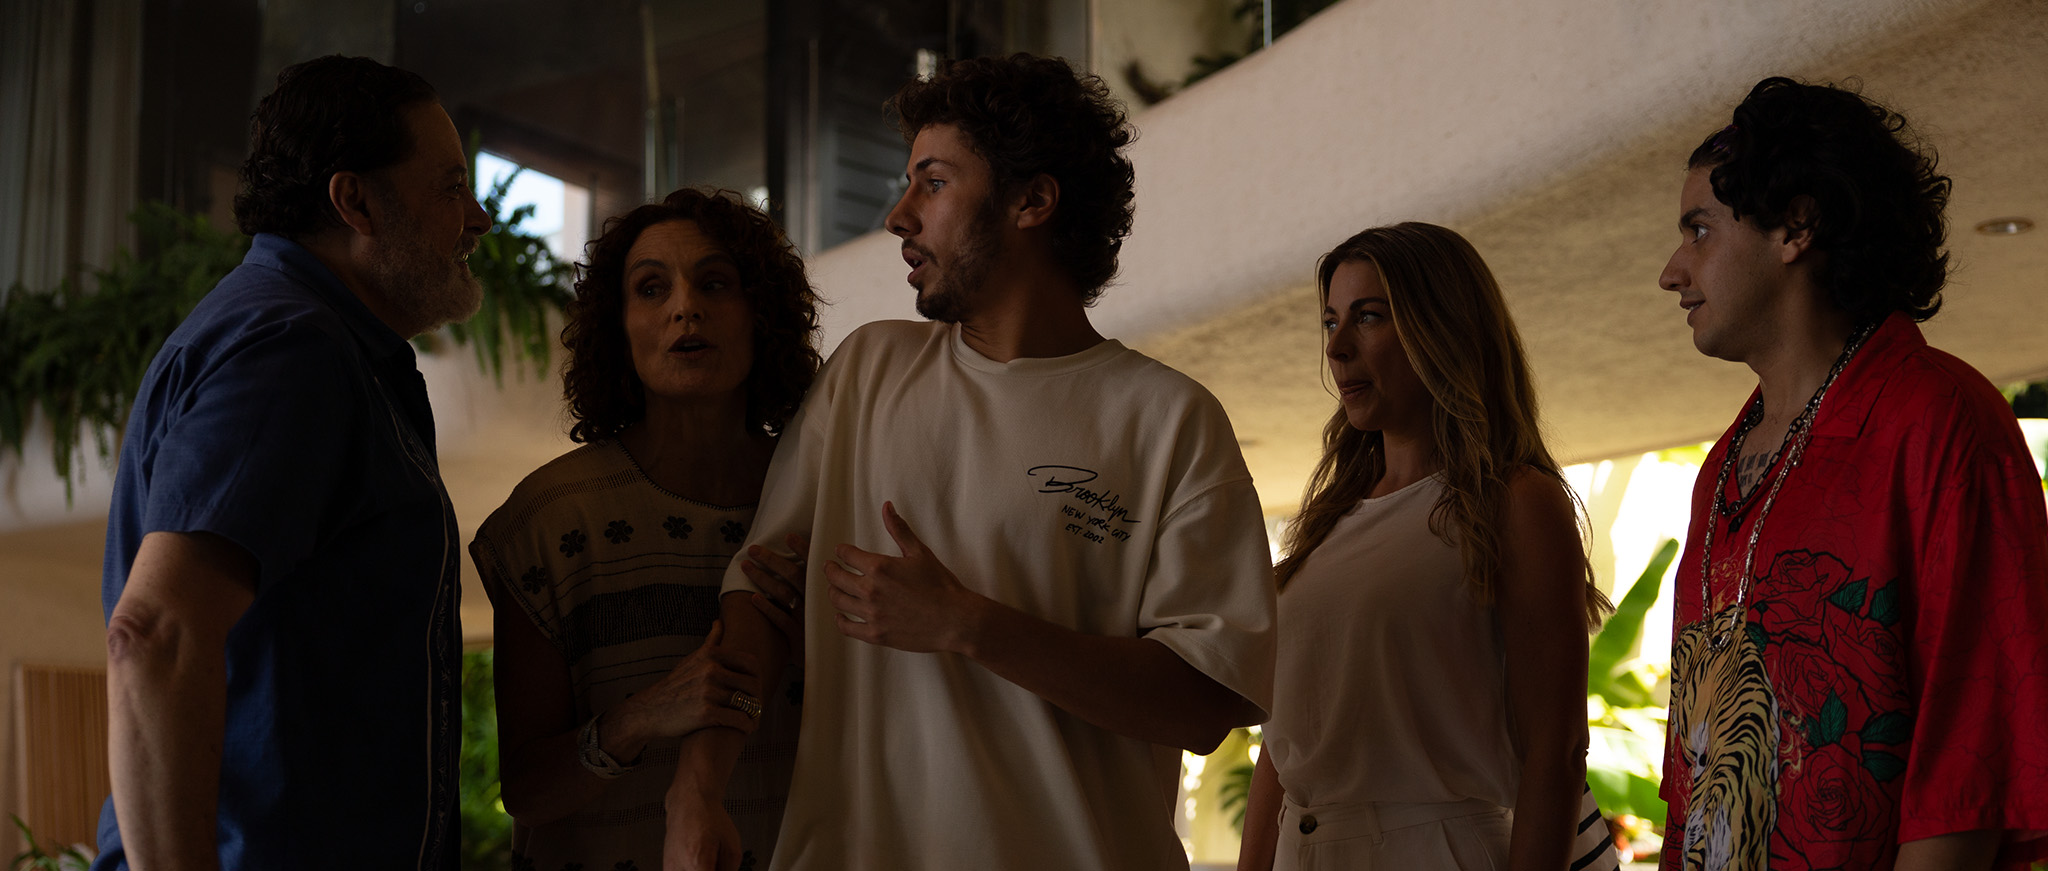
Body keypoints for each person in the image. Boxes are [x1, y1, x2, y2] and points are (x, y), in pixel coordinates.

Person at [662, 53, 1276, 871]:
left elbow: (1207, 700)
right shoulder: (867, 371)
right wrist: (696, 786)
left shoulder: (1169, 419)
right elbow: (762, 600)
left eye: (934, 183)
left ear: (1032, 201)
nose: (898, 216)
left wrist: (968, 624)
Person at [95, 56, 486, 869]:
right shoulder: (290, 350)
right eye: (451, 187)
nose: (477, 218)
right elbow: (157, 632)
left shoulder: (315, 344)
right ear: (355, 201)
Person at [1656, 76, 2048, 871]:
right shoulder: (1722, 468)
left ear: (1796, 226)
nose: (1672, 270)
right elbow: (1694, 783)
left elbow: (1968, 763)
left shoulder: (1940, 422)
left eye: (1699, 230)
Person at [1236, 223, 1614, 871]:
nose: (1337, 347)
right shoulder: (1325, 522)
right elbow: (1288, 741)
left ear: (1443, 327)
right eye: (1330, 322)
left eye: (1369, 316)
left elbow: (1554, 751)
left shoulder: (1514, 502)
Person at [470, 188, 819, 871]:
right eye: (651, 288)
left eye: (714, 283)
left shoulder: (823, 498)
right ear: (618, 326)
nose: (685, 307)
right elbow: (527, 791)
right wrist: (642, 716)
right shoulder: (549, 521)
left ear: (762, 313)